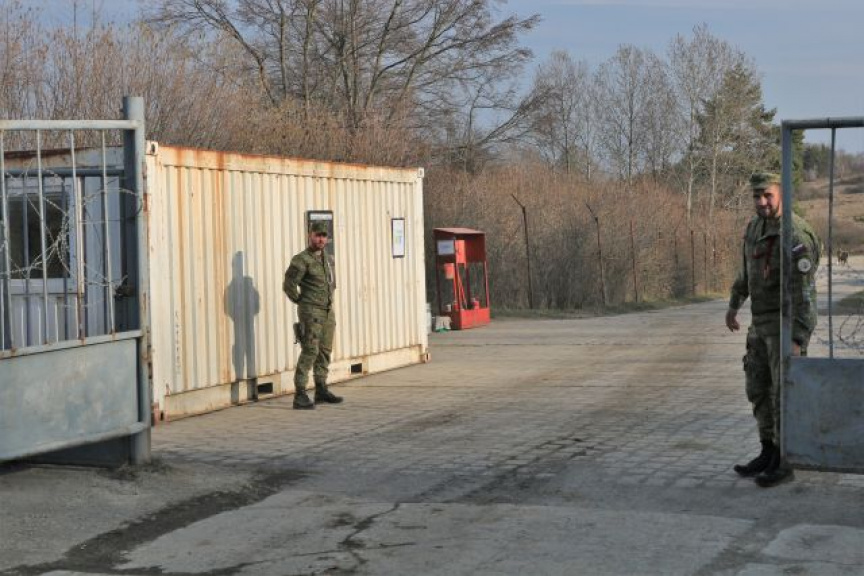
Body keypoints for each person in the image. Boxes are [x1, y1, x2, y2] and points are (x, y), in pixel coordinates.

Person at [725, 171, 820, 487]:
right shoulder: (755, 227)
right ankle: (767, 450)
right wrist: (734, 305)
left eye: (768, 195)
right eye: (757, 196)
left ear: (782, 194)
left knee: (783, 394)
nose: (762, 202)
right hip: (760, 325)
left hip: (784, 324)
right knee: (758, 389)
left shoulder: (795, 234)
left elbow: (805, 294)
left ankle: (784, 460)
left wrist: (798, 337)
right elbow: (747, 272)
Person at [283, 221, 342, 409]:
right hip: (311, 312)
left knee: (325, 350)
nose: (321, 239)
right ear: (310, 235)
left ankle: (321, 389)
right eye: (317, 235)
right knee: (310, 350)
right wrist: (301, 301)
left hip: (327, 311)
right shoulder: (301, 260)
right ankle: (300, 394)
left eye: (324, 236)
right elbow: (289, 284)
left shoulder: (327, 259)